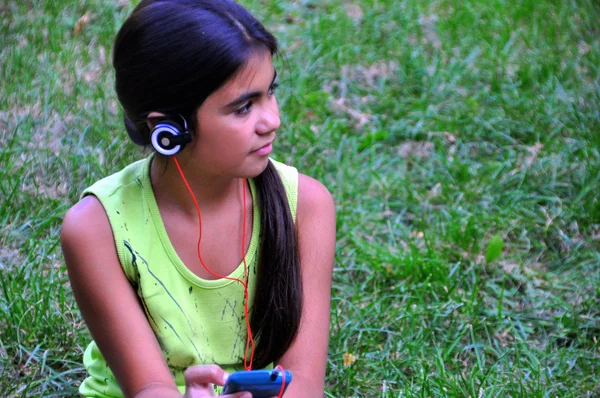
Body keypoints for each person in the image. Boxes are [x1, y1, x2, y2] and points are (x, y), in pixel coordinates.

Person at [60, 1, 336, 397]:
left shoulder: (306, 208)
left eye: (269, 92)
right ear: (168, 130)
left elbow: (304, 384)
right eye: (243, 107)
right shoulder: (96, 228)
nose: (272, 120)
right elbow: (149, 386)